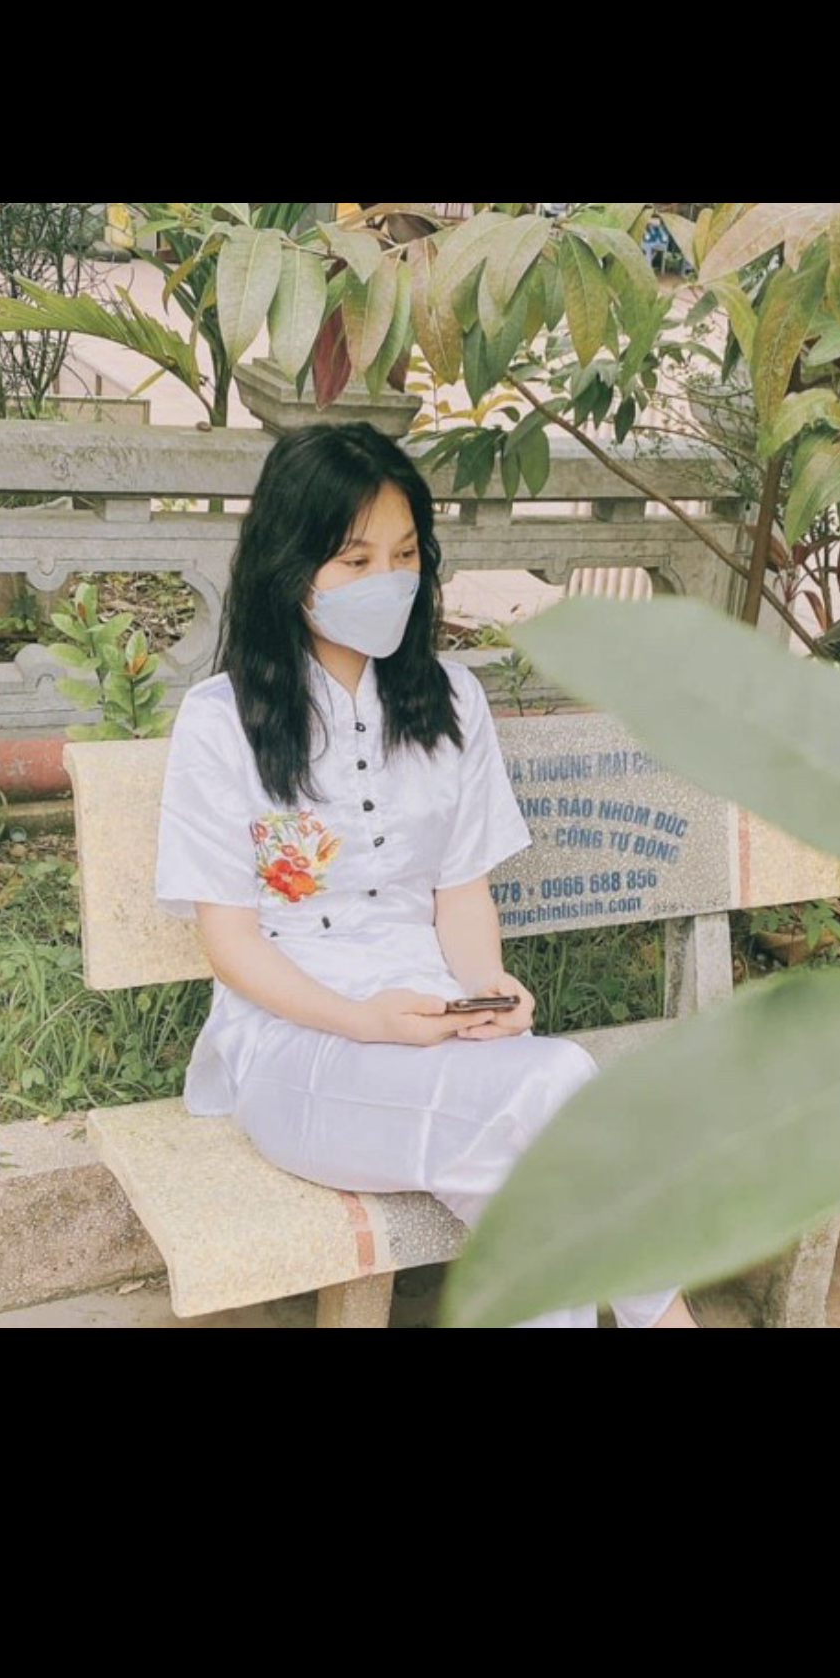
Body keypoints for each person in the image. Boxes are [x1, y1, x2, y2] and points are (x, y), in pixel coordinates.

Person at [154, 419, 698, 1328]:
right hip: (295, 1047)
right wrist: (363, 1019)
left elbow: (459, 890)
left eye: (405, 555)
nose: (389, 581)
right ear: (291, 568)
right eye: (355, 560)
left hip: (438, 1026)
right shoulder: (224, 721)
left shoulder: (449, 700)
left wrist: (487, 991)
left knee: (529, 1170)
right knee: (552, 1091)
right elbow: (232, 942)